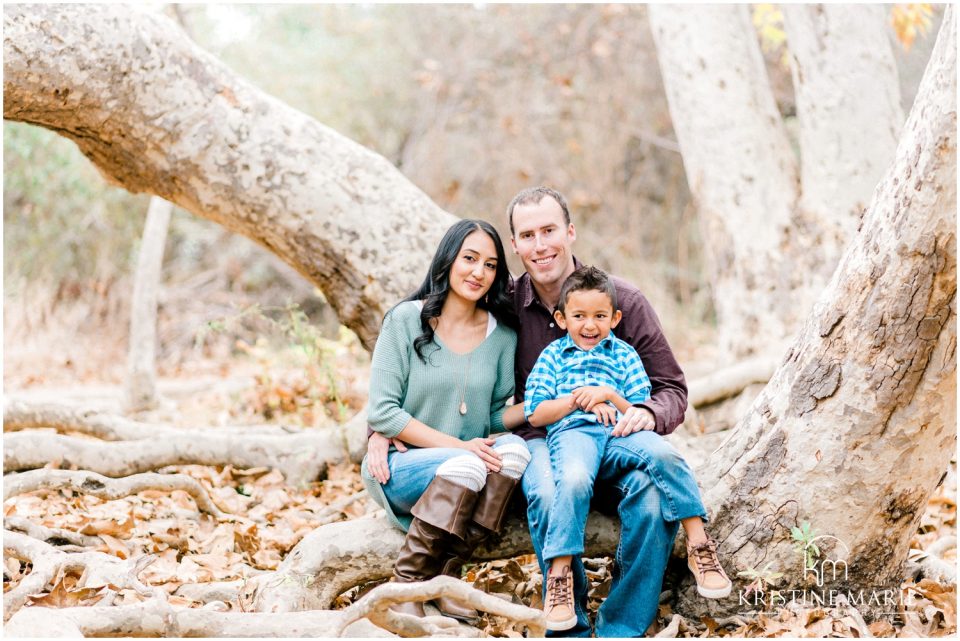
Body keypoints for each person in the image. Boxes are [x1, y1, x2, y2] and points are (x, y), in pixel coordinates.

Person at [507, 186, 728, 637]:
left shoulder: (625, 301)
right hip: (546, 440)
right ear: (515, 245)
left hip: (618, 435)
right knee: (553, 491)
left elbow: (670, 389)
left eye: (549, 230)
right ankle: (567, 621)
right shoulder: (504, 305)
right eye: (527, 235)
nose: (540, 245)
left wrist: (644, 413)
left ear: (570, 231)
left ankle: (621, 628)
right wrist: (384, 425)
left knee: (650, 500)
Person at [360, 219, 531, 622]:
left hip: (465, 468)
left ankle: (447, 576)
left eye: (490, 265)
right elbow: (383, 412)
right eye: (469, 258)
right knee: (470, 461)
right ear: (447, 259)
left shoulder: (502, 335)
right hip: (404, 466)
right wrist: (457, 446)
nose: (478, 272)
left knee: (516, 452)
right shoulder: (405, 319)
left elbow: (491, 416)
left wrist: (542, 407)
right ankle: (407, 586)